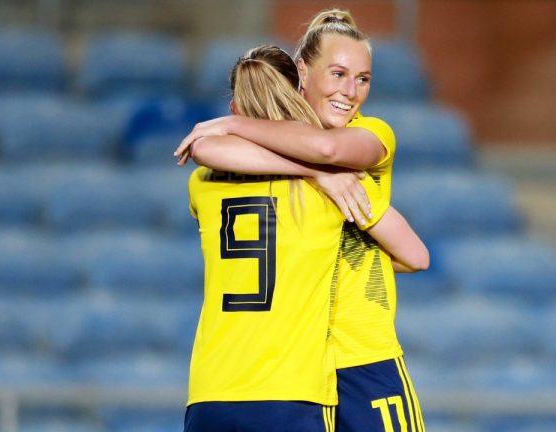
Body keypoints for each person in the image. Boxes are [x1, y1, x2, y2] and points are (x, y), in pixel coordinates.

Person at [176, 9, 429, 432]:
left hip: (361, 353)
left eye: (363, 79)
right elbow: (414, 254)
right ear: (302, 73)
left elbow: (326, 150)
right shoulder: (309, 176)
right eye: (338, 74)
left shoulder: (371, 133)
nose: (350, 91)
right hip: (305, 370)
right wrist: (318, 175)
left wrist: (234, 125)